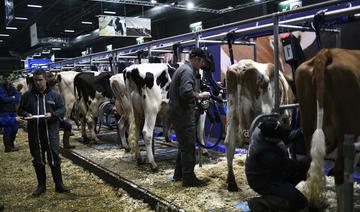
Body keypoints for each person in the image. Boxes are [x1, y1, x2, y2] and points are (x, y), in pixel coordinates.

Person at [18, 69, 69, 197]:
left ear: (45, 80)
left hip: (51, 131)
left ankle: (59, 184)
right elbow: (20, 110)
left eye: (40, 80)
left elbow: (62, 109)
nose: (38, 83)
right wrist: (26, 114)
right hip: (35, 132)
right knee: (38, 158)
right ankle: (41, 186)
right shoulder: (27, 96)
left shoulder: (55, 95)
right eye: (36, 80)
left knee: (54, 156)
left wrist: (53, 114)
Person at [245, 118, 310, 212]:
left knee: (301, 173)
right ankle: (260, 203)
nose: (281, 137)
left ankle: (282, 193)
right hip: (263, 181)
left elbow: (284, 138)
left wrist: (300, 132)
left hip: (270, 172)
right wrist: (310, 159)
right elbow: (289, 165)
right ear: (271, 139)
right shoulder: (266, 154)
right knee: (300, 202)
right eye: (278, 136)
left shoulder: (263, 131)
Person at [168, 48, 211, 187]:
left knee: (183, 145)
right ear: (197, 59)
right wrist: (200, 95)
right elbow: (186, 92)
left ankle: (179, 174)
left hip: (177, 112)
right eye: (202, 61)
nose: (202, 64)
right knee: (188, 147)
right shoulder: (188, 71)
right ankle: (189, 178)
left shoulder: (183, 69)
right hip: (183, 114)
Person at [0, 72, 21, 152]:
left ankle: (11, 145)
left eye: (9, 79)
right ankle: (7, 147)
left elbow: (17, 97)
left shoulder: (12, 87)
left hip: (12, 110)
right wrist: (12, 98)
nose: (7, 81)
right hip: (4, 111)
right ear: (2, 79)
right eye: (5, 79)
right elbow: (3, 99)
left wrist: (10, 98)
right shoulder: (0, 87)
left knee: (15, 128)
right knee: (8, 128)